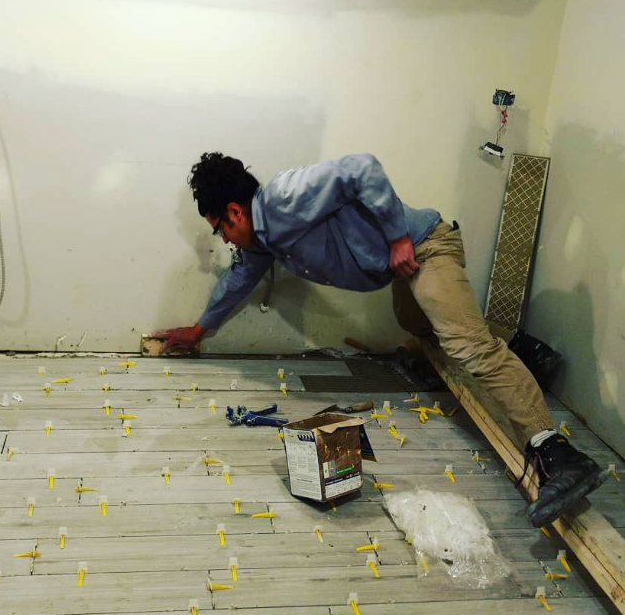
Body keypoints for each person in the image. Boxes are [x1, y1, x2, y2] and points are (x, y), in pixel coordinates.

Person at [157, 152, 607, 527]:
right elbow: (238, 280)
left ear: (235, 212)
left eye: (220, 228)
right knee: (423, 325)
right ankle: (526, 351)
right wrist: (199, 330)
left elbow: (362, 169)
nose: (224, 238)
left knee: (468, 349)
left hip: (425, 246)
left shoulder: (283, 196)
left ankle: (556, 453)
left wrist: (396, 239)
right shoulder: (260, 241)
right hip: (402, 271)